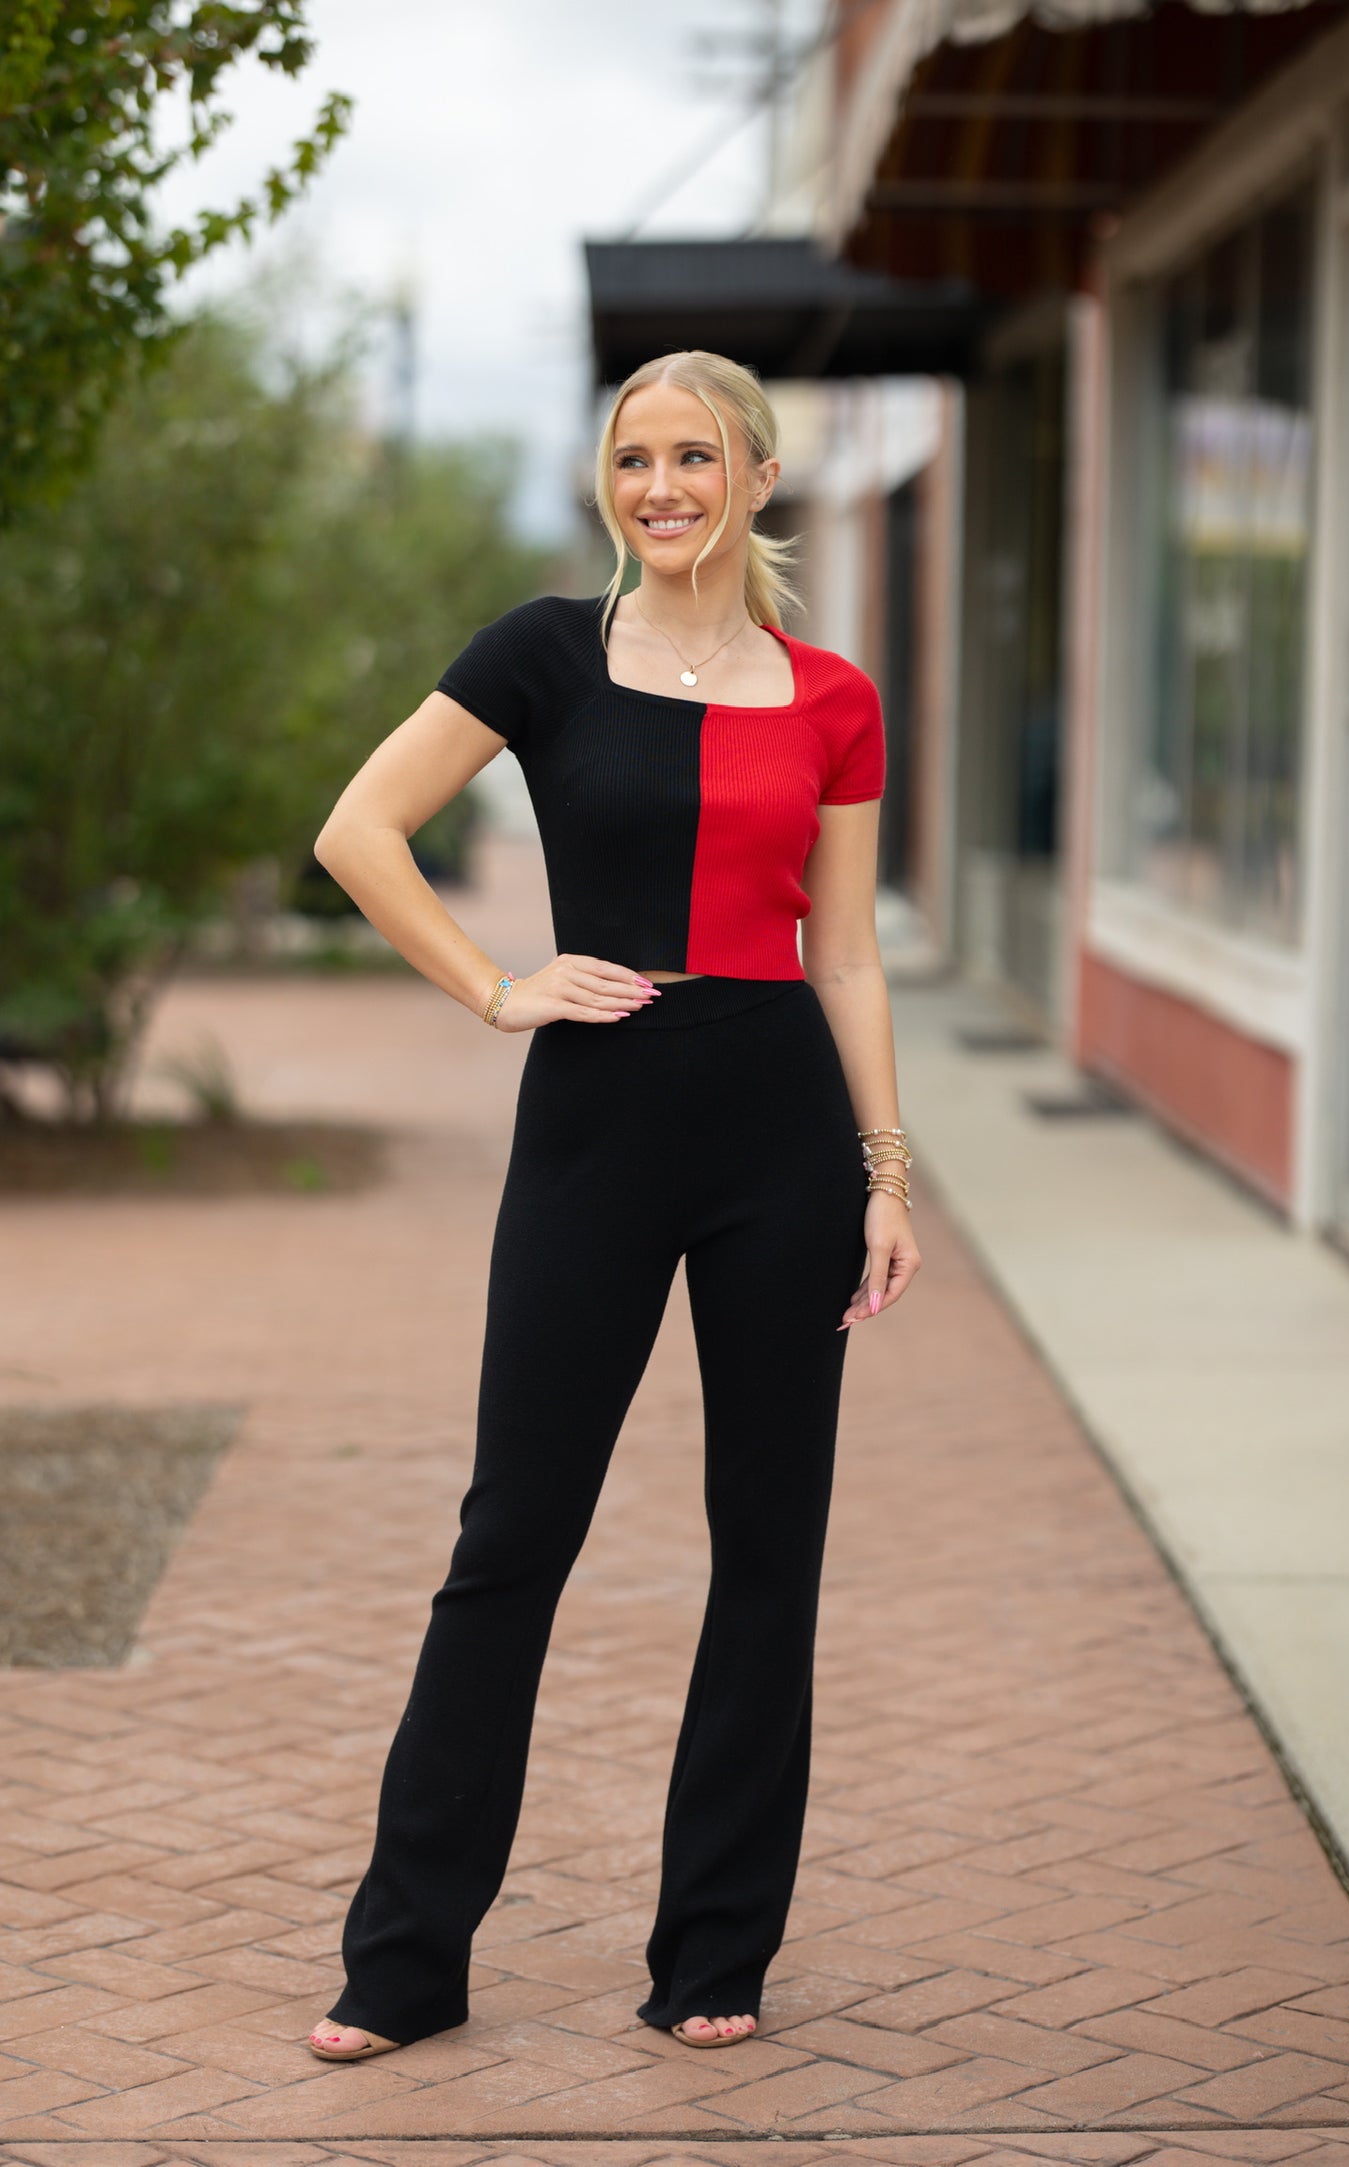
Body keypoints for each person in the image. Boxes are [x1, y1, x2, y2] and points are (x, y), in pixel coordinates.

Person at [304, 350, 923, 2062]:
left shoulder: (831, 695)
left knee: (767, 1554)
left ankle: (714, 1951)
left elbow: (849, 952)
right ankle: (405, 1962)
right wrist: (496, 990)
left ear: (755, 473)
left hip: (780, 1133)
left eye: (693, 456)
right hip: (596, 1118)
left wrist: (883, 1173)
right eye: (632, 458)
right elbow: (361, 828)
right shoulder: (542, 652)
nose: (660, 486)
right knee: (510, 1540)